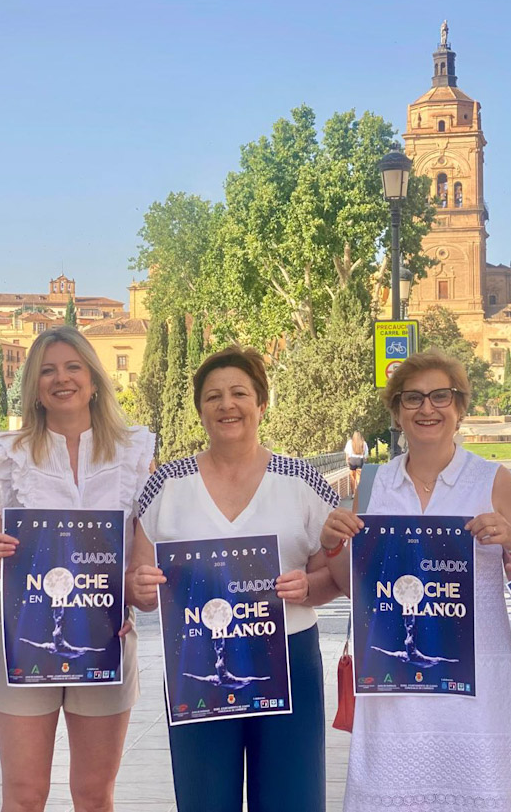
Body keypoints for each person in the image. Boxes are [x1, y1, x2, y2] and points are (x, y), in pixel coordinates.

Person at [321, 349, 511, 811]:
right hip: (395, 682)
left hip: (476, 680)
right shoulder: (372, 485)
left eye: (440, 396)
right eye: (412, 399)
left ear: (460, 407)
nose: (427, 409)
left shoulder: (493, 479)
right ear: (397, 412)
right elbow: (352, 584)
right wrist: (332, 546)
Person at [128, 345, 343, 812]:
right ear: (200, 411)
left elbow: (340, 572)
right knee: (205, 799)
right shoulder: (168, 485)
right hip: (197, 662)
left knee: (292, 798)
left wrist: (310, 586)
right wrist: (140, 588)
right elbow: (138, 582)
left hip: (287, 659)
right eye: (214, 396)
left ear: (261, 405)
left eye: (240, 393)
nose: (227, 405)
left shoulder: (301, 480)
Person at [0, 326, 154, 812]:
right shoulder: (7, 454)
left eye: (73, 367)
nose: (62, 379)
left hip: (107, 638)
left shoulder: (136, 452)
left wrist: (142, 587)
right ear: (34, 387)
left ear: (94, 380)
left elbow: (145, 554)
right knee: (24, 793)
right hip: (21, 635)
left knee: (94, 794)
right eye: (47, 371)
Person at [344, 430, 368, 495]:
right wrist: (364, 461)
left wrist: (347, 461)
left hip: (352, 461)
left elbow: (347, 453)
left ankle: (353, 494)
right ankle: (359, 493)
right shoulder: (364, 443)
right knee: (359, 478)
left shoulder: (350, 442)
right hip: (360, 460)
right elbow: (366, 455)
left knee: (352, 478)